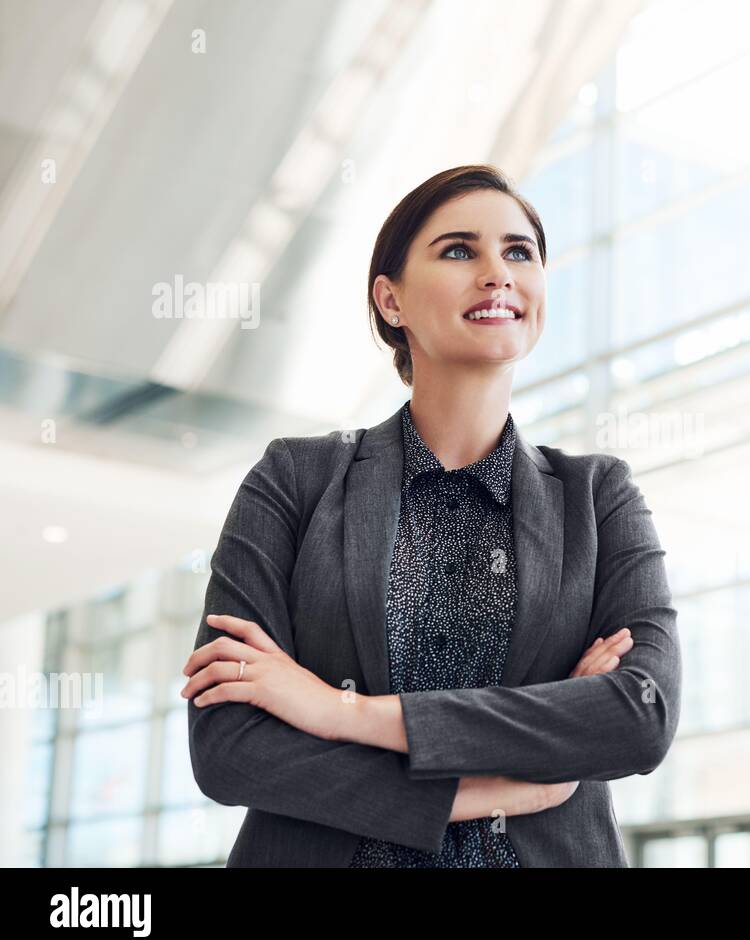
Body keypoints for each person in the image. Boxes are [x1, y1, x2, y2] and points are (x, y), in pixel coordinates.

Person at [181, 164, 681, 867]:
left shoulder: (600, 498)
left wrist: (338, 711)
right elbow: (230, 748)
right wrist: (493, 785)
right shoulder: (294, 479)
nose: (497, 273)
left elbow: (640, 716)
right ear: (391, 300)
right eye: (458, 250)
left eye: (518, 252)